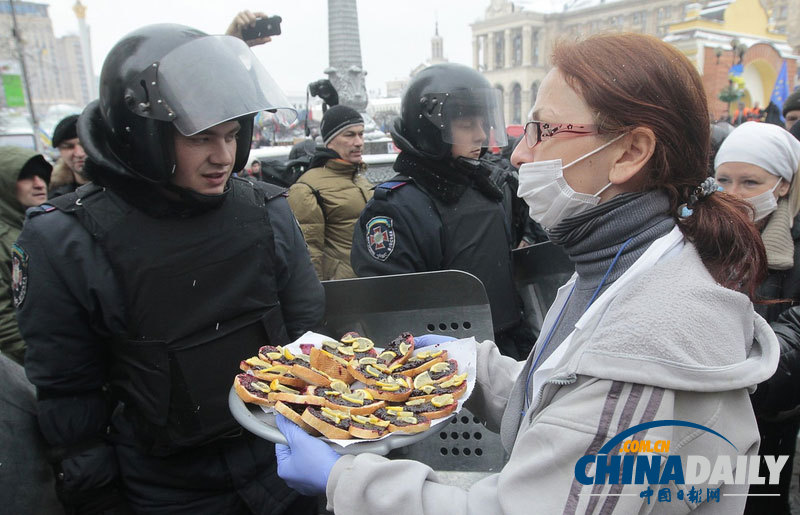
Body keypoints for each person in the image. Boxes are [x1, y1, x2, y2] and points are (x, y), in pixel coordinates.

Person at [275, 33, 779, 513]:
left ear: (630, 153)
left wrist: (346, 481)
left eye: (543, 130)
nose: (518, 152)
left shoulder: (648, 338)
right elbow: (567, 401)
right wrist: (474, 370)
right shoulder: (619, 266)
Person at [17, 23, 324, 514]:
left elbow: (304, 331)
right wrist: (96, 496)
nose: (223, 157)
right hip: (167, 488)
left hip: (280, 462)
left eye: (232, 135)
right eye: (200, 137)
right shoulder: (67, 240)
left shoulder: (265, 210)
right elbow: (70, 392)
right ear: (143, 137)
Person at [350, 63, 531, 358]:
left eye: (483, 124)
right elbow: (392, 311)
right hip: (446, 359)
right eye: (467, 125)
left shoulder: (489, 187)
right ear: (430, 132)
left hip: (506, 349)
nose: (481, 135)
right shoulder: (396, 207)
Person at [713, 121, 800, 513]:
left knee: (760, 501)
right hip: (708, 411)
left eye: (750, 182)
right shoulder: (700, 233)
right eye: (723, 180)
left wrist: (750, 366)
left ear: (782, 185)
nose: (733, 193)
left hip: (769, 412)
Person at [288, 105, 372, 280]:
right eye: (350, 135)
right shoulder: (306, 188)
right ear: (330, 141)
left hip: (372, 284)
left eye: (361, 134)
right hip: (342, 289)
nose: (359, 142)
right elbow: (309, 254)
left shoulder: (361, 181)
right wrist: (320, 293)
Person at [0, 146, 50, 365]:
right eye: (26, 177)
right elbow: (4, 322)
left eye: (41, 175)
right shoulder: (6, 239)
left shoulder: (37, 226)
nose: (39, 183)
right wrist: (46, 362)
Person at [48, 114, 89, 198]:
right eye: (68, 147)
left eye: (84, 144)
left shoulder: (117, 188)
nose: (79, 153)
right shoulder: (53, 195)